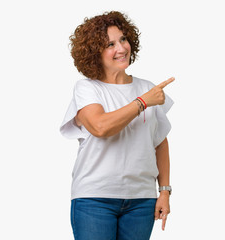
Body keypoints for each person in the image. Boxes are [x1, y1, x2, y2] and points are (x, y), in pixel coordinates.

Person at [60, 11, 175, 240]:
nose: (121, 49)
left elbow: (160, 143)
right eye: (110, 44)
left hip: (141, 200)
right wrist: (143, 102)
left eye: (123, 39)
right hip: (94, 199)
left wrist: (164, 192)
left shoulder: (147, 87)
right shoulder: (87, 88)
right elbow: (100, 127)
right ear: (94, 53)